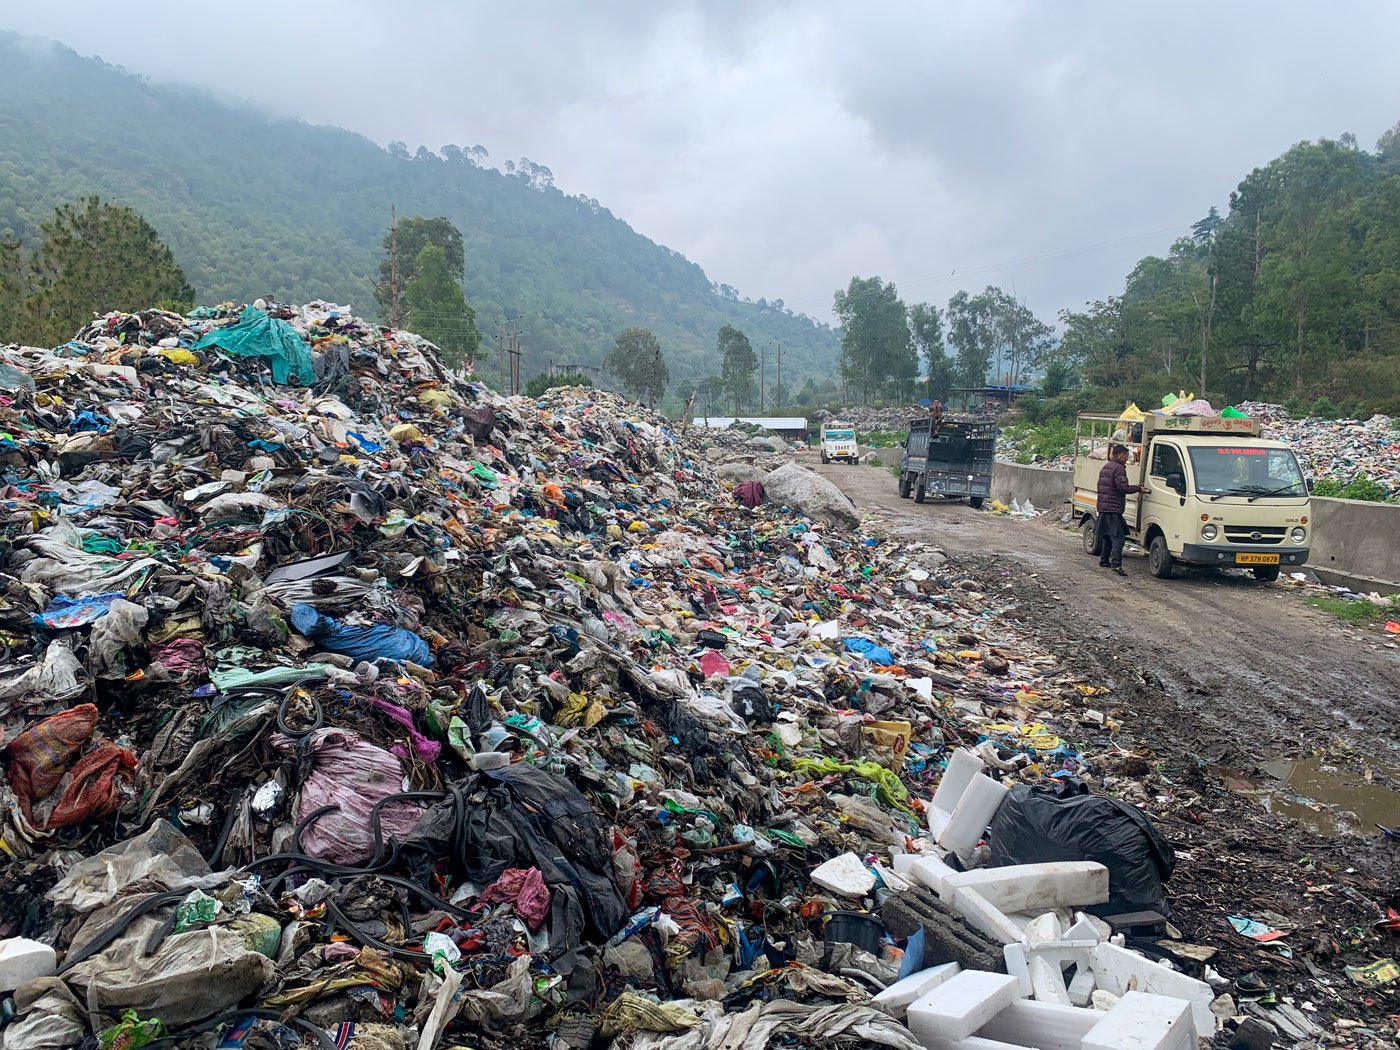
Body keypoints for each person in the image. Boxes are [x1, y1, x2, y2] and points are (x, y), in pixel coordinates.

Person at [1096, 444, 1149, 576]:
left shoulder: (1107, 466)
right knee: (1118, 538)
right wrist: (1138, 488)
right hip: (1113, 507)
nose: (1127, 458)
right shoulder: (1119, 468)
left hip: (1104, 506)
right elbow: (1122, 488)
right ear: (1120, 455)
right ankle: (1116, 564)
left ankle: (1104, 560)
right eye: (1126, 455)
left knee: (1108, 536)